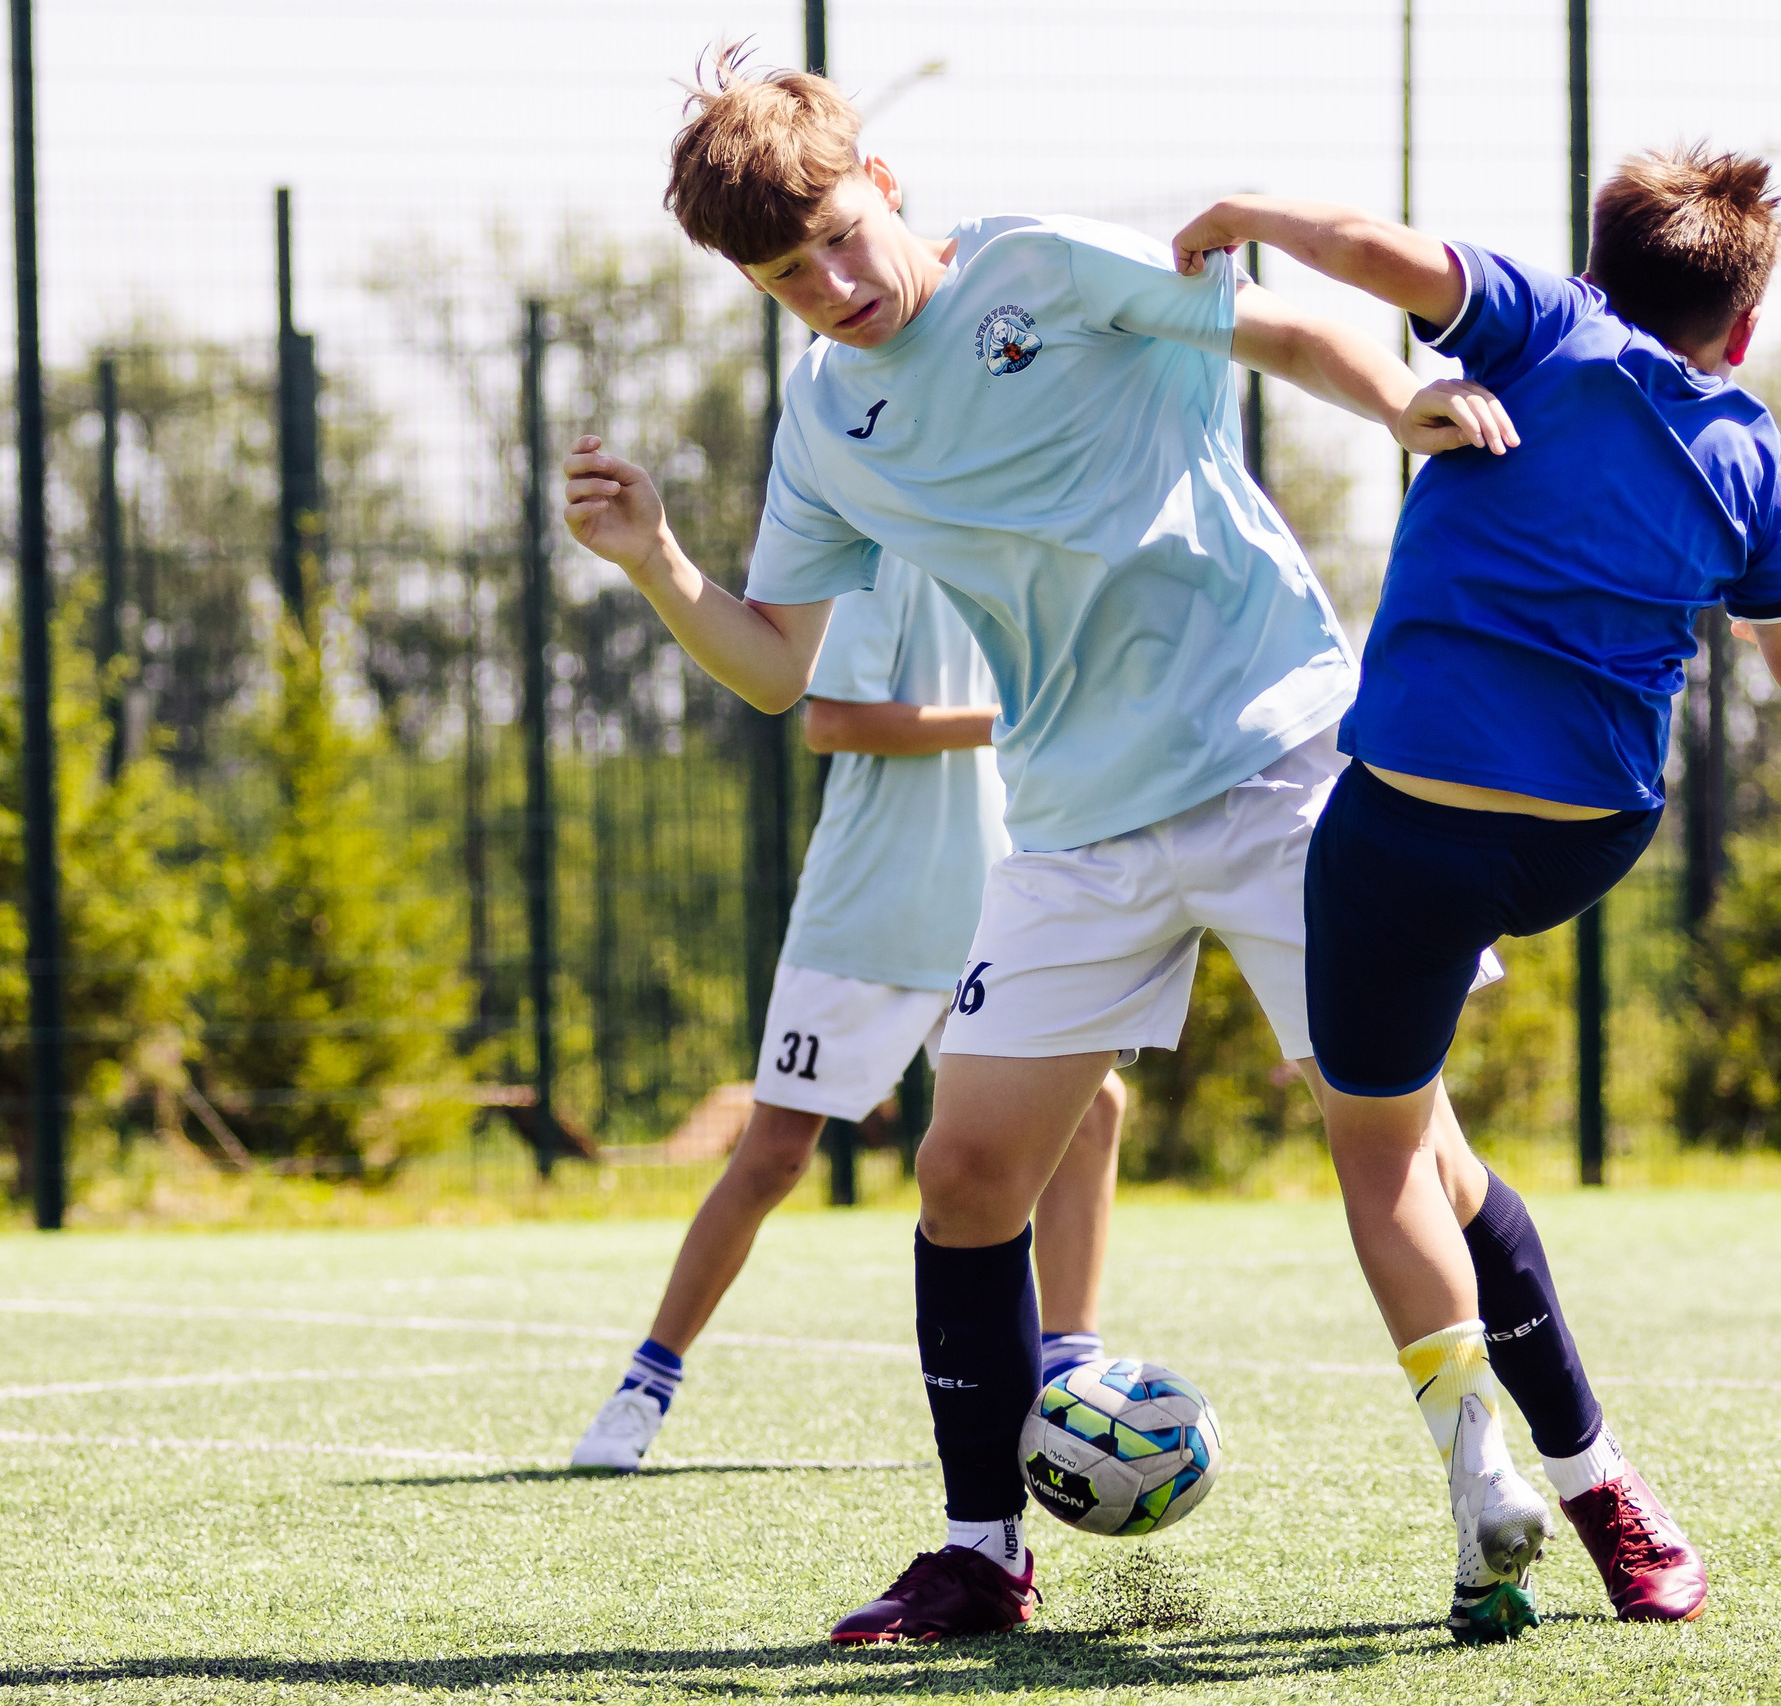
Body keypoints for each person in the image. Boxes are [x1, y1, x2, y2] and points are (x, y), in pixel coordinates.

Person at [563, 54, 1550, 1648]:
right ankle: (980, 1552)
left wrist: (1402, 404)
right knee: (961, 1171)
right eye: (782, 278)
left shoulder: (1035, 264)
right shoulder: (828, 423)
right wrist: (660, 559)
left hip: (1280, 757)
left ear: (878, 179)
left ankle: (1501, 1485)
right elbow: (779, 666)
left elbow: (1276, 328)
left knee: (1408, 1150)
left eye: (832, 238)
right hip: (1080, 818)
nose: (828, 288)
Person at [1170, 144, 1781, 1627]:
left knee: (1378, 1159)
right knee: (1440, 1148)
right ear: (1740, 329)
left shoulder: (1549, 322)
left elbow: (1367, 241)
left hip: (1411, 822)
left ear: (1602, 271)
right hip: (1583, 837)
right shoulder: (1746, 449)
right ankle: (1605, 1484)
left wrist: (1244, 215)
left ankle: (1477, 1463)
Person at [570, 556, 1126, 1473]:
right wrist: (1012, 721)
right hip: (866, 915)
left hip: (991, 910)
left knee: (1095, 1108)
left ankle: (1070, 1374)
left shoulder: (1015, 548)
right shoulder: (882, 557)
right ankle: (644, 1386)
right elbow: (832, 722)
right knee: (775, 1154)